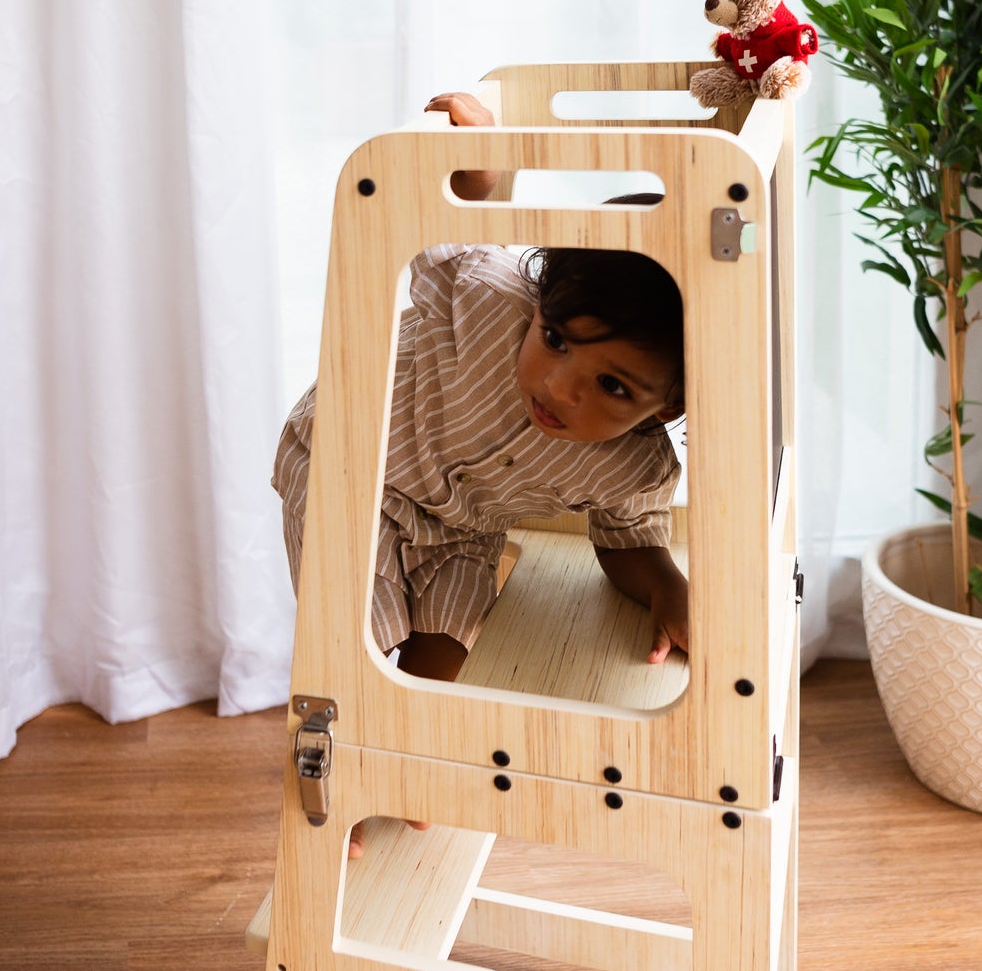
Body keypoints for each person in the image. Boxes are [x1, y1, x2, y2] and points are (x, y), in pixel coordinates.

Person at [273, 91, 689, 697]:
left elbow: (629, 542)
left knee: (447, 668)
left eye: (611, 385)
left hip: (462, 532)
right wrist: (475, 173)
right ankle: (361, 758)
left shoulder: (635, 468)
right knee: (357, 648)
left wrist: (665, 587)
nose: (557, 386)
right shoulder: (488, 297)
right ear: (542, 299)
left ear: (669, 405)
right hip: (348, 467)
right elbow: (436, 231)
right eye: (555, 338)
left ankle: (425, 776)